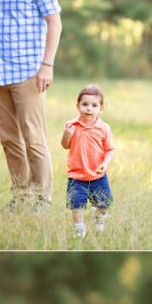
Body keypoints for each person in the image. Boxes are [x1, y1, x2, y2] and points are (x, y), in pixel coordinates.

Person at [0, 0, 62, 211]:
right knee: (9, 140)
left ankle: (42, 199)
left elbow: (54, 22)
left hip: (29, 71)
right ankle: (21, 196)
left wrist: (47, 65)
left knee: (33, 137)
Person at [61, 85, 115, 240]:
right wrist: (66, 135)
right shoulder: (71, 125)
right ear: (77, 105)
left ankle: (99, 221)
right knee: (77, 205)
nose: (89, 109)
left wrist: (105, 163)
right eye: (84, 105)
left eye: (94, 105)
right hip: (77, 176)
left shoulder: (104, 128)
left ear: (101, 108)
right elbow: (65, 145)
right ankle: (79, 230)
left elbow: (110, 149)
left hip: (98, 175)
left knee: (104, 204)